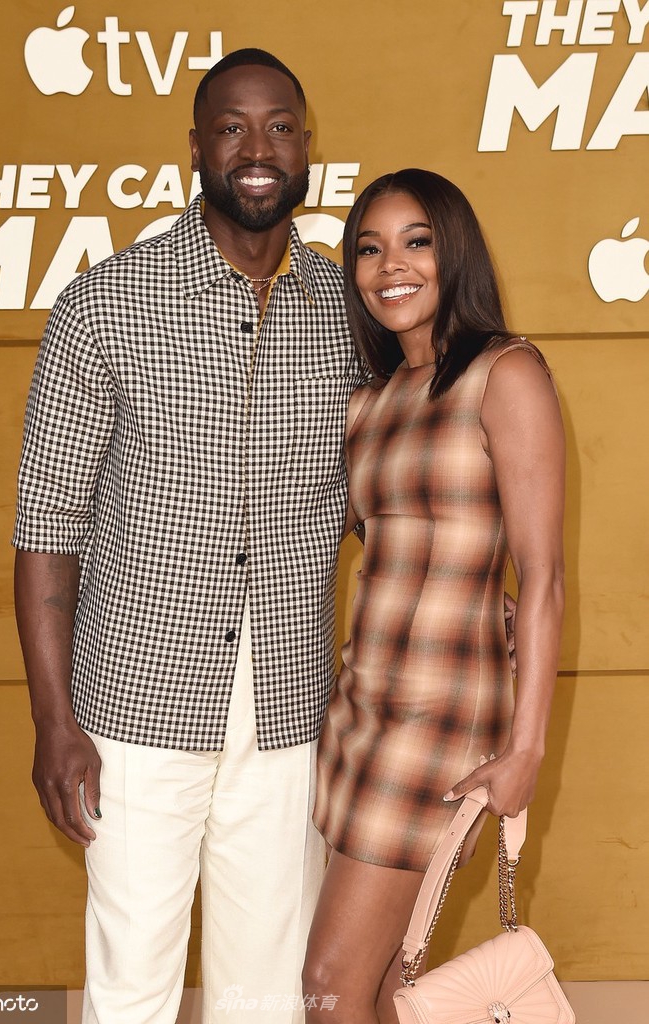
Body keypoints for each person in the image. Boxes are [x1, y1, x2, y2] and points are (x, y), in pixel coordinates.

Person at [12, 49, 363, 1024]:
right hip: (134, 706)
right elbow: (47, 525)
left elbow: (394, 479)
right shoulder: (104, 305)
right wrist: (53, 720)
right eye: (231, 128)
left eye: (279, 127)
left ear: (307, 148)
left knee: (266, 991)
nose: (257, 149)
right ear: (196, 149)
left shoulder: (344, 311)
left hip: (289, 709)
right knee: (133, 984)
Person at [303, 169, 565, 1024]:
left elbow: (544, 576)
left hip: (442, 722)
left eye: (416, 242)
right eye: (369, 249)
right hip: (360, 709)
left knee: (328, 984)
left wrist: (527, 748)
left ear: (454, 252)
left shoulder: (505, 374)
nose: (391, 267)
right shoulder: (368, 402)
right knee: (384, 985)